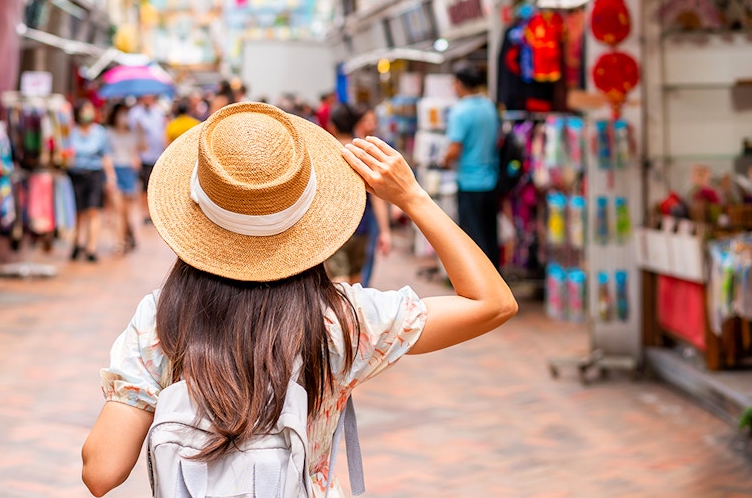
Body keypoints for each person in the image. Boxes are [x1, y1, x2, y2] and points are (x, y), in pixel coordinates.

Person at [81, 102, 518, 497]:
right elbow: (492, 302)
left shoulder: (162, 320)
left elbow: (101, 471)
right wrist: (413, 198)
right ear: (308, 218)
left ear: (197, 215)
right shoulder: (343, 321)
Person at [324, 102, 391, 286]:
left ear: (332, 126)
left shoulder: (326, 155)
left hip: (335, 229)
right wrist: (385, 231)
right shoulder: (362, 154)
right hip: (362, 227)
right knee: (356, 284)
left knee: (339, 285)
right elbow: (377, 198)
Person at [443, 62, 501, 269]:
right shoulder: (489, 106)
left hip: (469, 182)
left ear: (459, 84)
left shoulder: (460, 111)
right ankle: (497, 279)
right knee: (490, 234)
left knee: (473, 239)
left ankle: (482, 286)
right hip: (491, 180)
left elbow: (454, 149)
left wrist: (444, 161)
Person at [67, 101, 116, 262]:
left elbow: (106, 156)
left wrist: (110, 176)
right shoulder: (71, 132)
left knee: (94, 210)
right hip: (75, 174)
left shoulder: (100, 133)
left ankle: (91, 247)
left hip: (94, 174)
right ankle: (77, 242)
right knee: (78, 212)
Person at [106, 103, 141, 254]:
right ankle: (119, 242)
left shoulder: (133, 133)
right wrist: (110, 176)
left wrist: (141, 132)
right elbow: (106, 155)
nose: (123, 118)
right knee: (117, 209)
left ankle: (128, 234)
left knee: (126, 212)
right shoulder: (108, 133)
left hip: (128, 172)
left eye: (126, 114)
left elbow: (139, 151)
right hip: (115, 171)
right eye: (121, 114)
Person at [128, 94, 167, 223]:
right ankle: (145, 212)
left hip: (157, 154)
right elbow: (132, 135)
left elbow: (163, 131)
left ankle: (153, 212)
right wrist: (135, 155)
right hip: (143, 155)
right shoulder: (135, 113)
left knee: (155, 185)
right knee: (144, 186)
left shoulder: (159, 112)